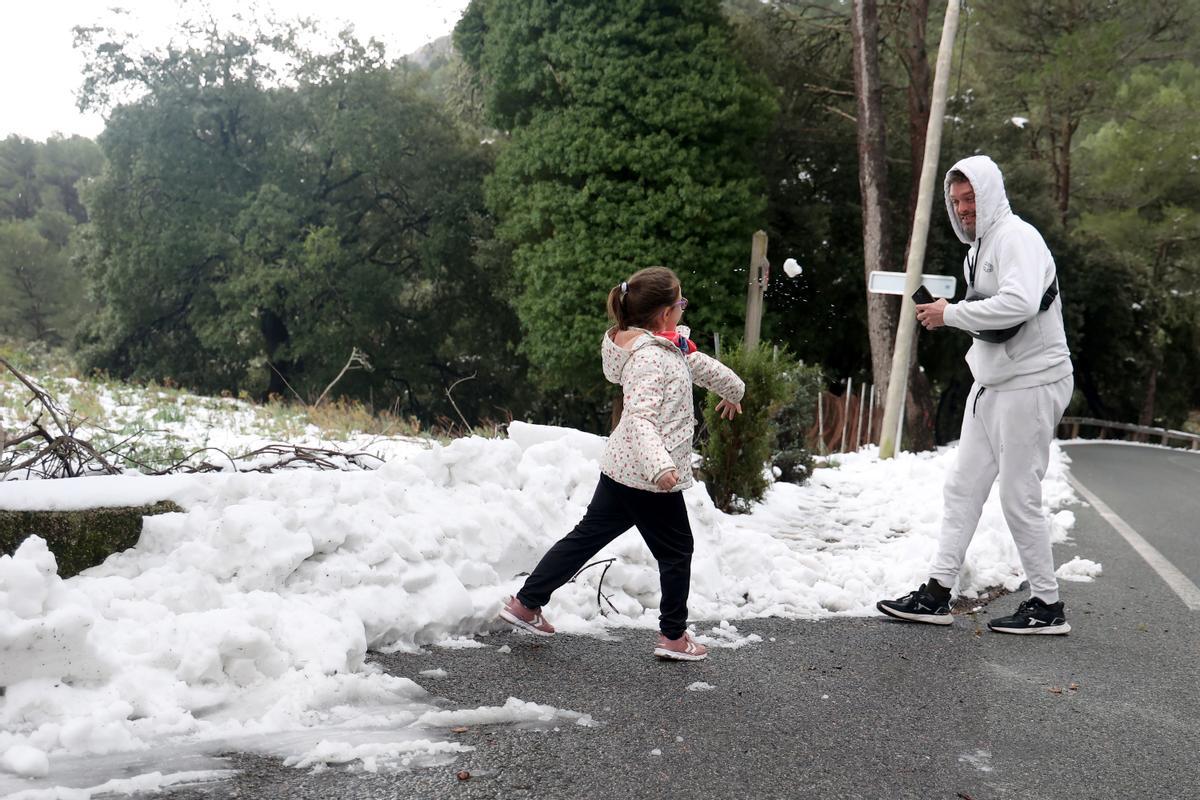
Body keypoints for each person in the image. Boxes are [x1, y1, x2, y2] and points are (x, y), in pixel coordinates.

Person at [498, 266, 745, 660]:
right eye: (680, 303)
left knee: (586, 538)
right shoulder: (651, 359)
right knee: (678, 551)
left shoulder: (665, 348)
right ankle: (675, 638)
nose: (684, 309)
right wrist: (661, 467)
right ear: (665, 313)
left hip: (621, 470)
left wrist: (735, 390)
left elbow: (699, 367)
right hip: (649, 476)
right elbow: (639, 418)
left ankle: (525, 604)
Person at [877, 155, 1075, 635]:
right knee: (962, 488)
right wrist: (952, 313)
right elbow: (994, 318)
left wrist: (954, 314)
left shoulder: (1017, 238)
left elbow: (1021, 302)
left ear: (990, 195)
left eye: (971, 199)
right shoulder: (979, 247)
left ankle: (1047, 606)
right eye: (957, 201)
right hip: (992, 384)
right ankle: (937, 594)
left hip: (1032, 382)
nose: (964, 209)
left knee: (1017, 495)